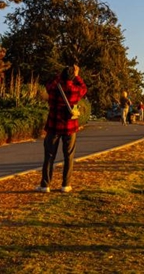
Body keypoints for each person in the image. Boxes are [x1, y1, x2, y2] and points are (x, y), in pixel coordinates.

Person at [38, 64, 87, 193]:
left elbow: (49, 84)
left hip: (53, 126)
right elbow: (84, 88)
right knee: (68, 156)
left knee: (49, 156)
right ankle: (66, 184)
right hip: (70, 127)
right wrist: (77, 76)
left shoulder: (54, 88)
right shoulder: (75, 90)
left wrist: (59, 75)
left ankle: (45, 185)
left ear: (61, 76)